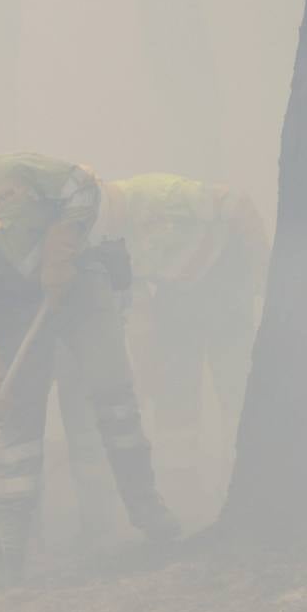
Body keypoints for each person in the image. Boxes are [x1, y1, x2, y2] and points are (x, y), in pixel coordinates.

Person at [0, 151, 180, 586]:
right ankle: (7, 545)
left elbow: (81, 184)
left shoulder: (12, 172)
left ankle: (147, 507)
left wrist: (62, 243)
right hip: (15, 313)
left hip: (77, 285)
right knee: (15, 419)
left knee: (113, 397)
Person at [56, 173, 269, 535]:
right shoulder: (105, 238)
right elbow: (137, 305)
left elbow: (238, 206)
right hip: (174, 293)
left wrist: (264, 274)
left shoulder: (158, 192)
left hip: (224, 279)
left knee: (237, 383)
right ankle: (184, 491)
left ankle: (249, 476)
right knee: (173, 392)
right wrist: (148, 366)